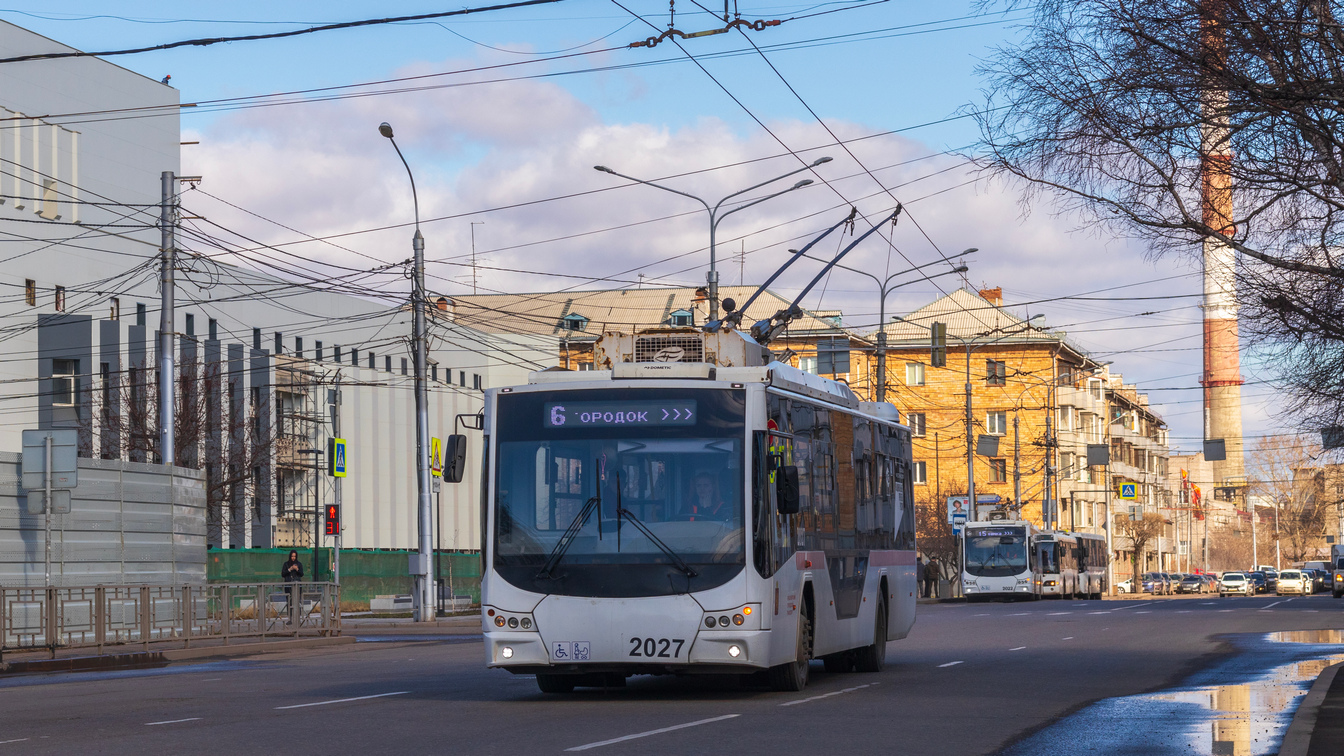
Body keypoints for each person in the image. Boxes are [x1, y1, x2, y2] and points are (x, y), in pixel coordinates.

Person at [282, 550, 304, 618]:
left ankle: (298, 617)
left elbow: (301, 574)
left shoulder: (299, 564)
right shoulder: (286, 564)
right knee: (289, 601)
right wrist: (290, 569)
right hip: (288, 585)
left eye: (294, 556)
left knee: (297, 601)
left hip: (297, 585)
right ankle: (290, 617)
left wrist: (297, 569)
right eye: (292, 556)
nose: (293, 558)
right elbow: (283, 574)